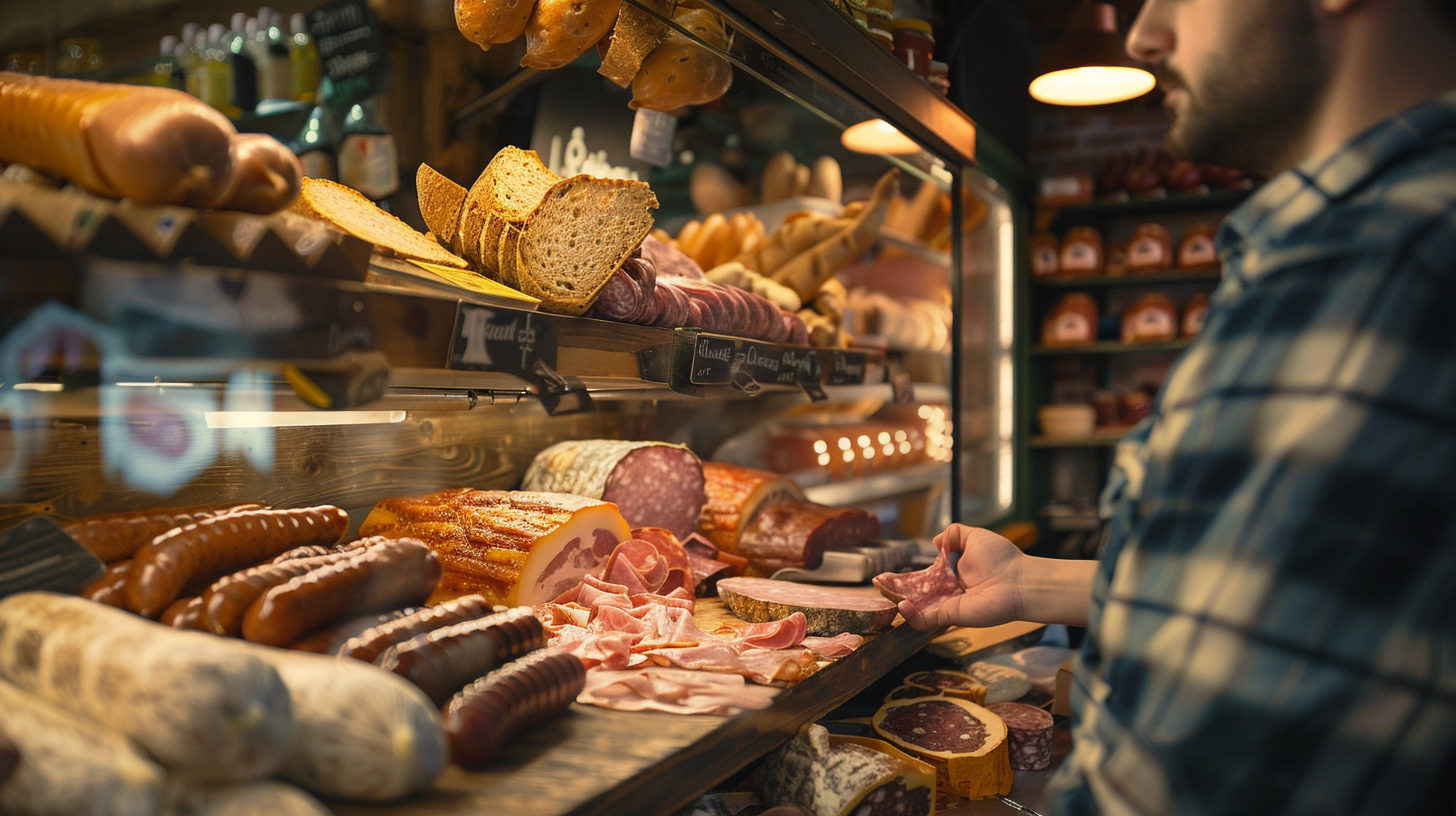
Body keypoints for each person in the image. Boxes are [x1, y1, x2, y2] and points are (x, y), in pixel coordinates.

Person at [899, 0, 1456, 813]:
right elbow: (1301, 597)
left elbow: (1198, 781)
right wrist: (1033, 582)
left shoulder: (1379, 269)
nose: (1146, 35)